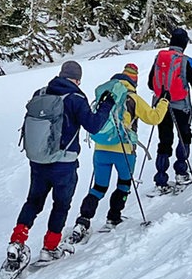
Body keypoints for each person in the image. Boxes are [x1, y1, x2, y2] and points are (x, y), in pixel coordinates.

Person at [6, 60, 113, 266]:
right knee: (61, 204)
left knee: (33, 202)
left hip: (38, 160)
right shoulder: (75, 98)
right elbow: (93, 126)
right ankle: (50, 247)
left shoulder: (41, 93)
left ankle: (17, 241)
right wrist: (106, 106)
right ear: (77, 79)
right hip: (64, 162)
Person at [69, 63, 168, 242]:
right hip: (124, 149)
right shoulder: (132, 98)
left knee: (98, 187)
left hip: (101, 149)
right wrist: (164, 102)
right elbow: (154, 118)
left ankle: (83, 221)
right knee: (123, 184)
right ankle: (114, 217)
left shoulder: (105, 94)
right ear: (134, 81)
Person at [148, 27, 192, 191]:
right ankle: (181, 172)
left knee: (164, 140)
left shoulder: (159, 58)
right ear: (184, 44)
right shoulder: (186, 60)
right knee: (184, 137)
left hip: (161, 105)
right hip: (181, 106)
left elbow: (150, 84)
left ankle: (161, 179)